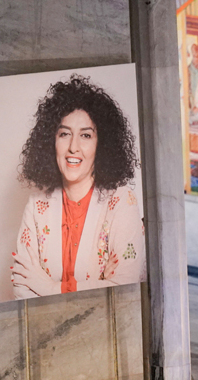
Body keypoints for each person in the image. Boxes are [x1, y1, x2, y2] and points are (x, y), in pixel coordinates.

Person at [11, 74, 145, 299]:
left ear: (101, 144)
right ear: (51, 142)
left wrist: (52, 288)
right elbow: (21, 288)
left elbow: (125, 288)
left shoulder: (122, 201)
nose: (73, 147)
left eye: (85, 135)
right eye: (64, 134)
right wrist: (100, 283)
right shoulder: (36, 206)